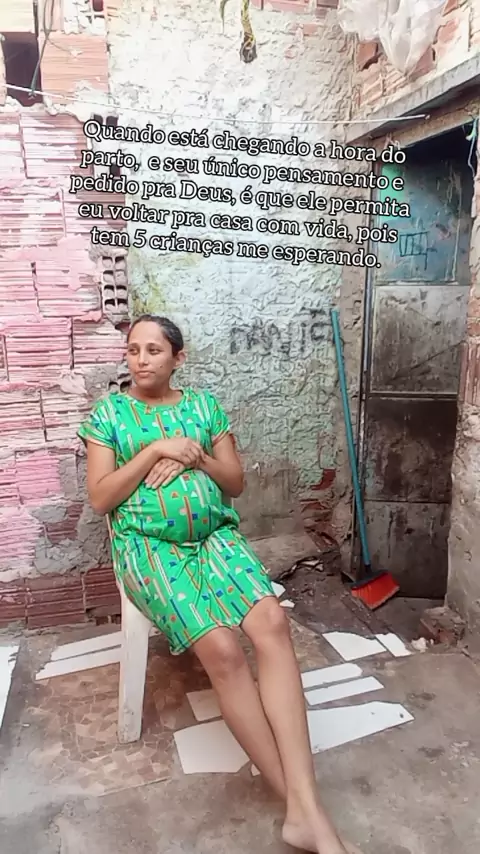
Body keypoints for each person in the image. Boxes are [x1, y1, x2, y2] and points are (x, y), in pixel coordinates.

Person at [78, 314, 358, 854]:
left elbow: (235, 483)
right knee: (224, 651)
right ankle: (306, 813)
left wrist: (197, 455)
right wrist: (156, 451)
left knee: (272, 623)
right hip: (149, 549)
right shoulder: (108, 415)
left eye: (154, 350)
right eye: (133, 350)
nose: (141, 360)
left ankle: (305, 809)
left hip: (215, 539)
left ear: (177, 358)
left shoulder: (205, 408)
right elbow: (101, 497)